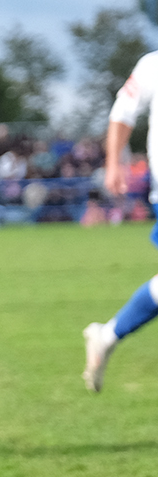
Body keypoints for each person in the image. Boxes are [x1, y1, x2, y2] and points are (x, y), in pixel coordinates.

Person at [84, 49, 158, 389]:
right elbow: (123, 112)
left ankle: (107, 335)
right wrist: (114, 163)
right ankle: (107, 335)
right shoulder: (152, 65)